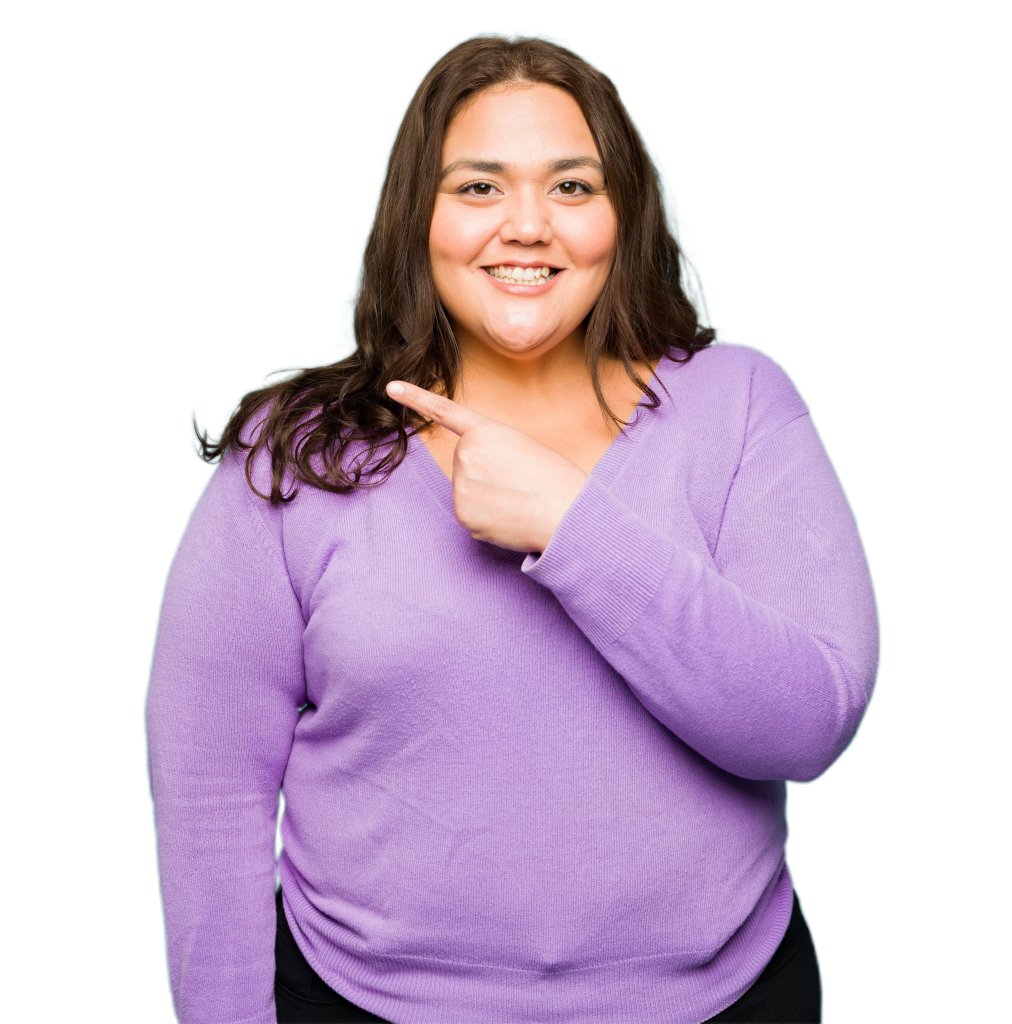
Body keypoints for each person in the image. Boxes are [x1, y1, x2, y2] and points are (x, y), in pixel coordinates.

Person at [144, 27, 880, 1024]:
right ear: (420, 216)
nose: (527, 225)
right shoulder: (295, 452)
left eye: (572, 186)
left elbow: (807, 726)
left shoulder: (741, 403)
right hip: (361, 1006)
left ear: (622, 215)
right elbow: (210, 788)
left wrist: (573, 529)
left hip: (726, 1004)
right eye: (480, 186)